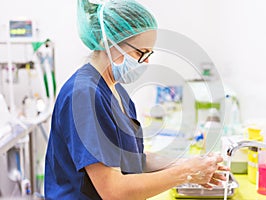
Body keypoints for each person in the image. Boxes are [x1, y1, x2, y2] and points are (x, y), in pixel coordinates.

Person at [44, 0, 229, 199]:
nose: (146, 62)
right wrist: (185, 173)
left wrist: (187, 163)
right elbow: (113, 191)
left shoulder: (116, 91)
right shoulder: (83, 95)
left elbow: (133, 160)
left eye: (149, 54)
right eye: (141, 53)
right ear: (110, 43)